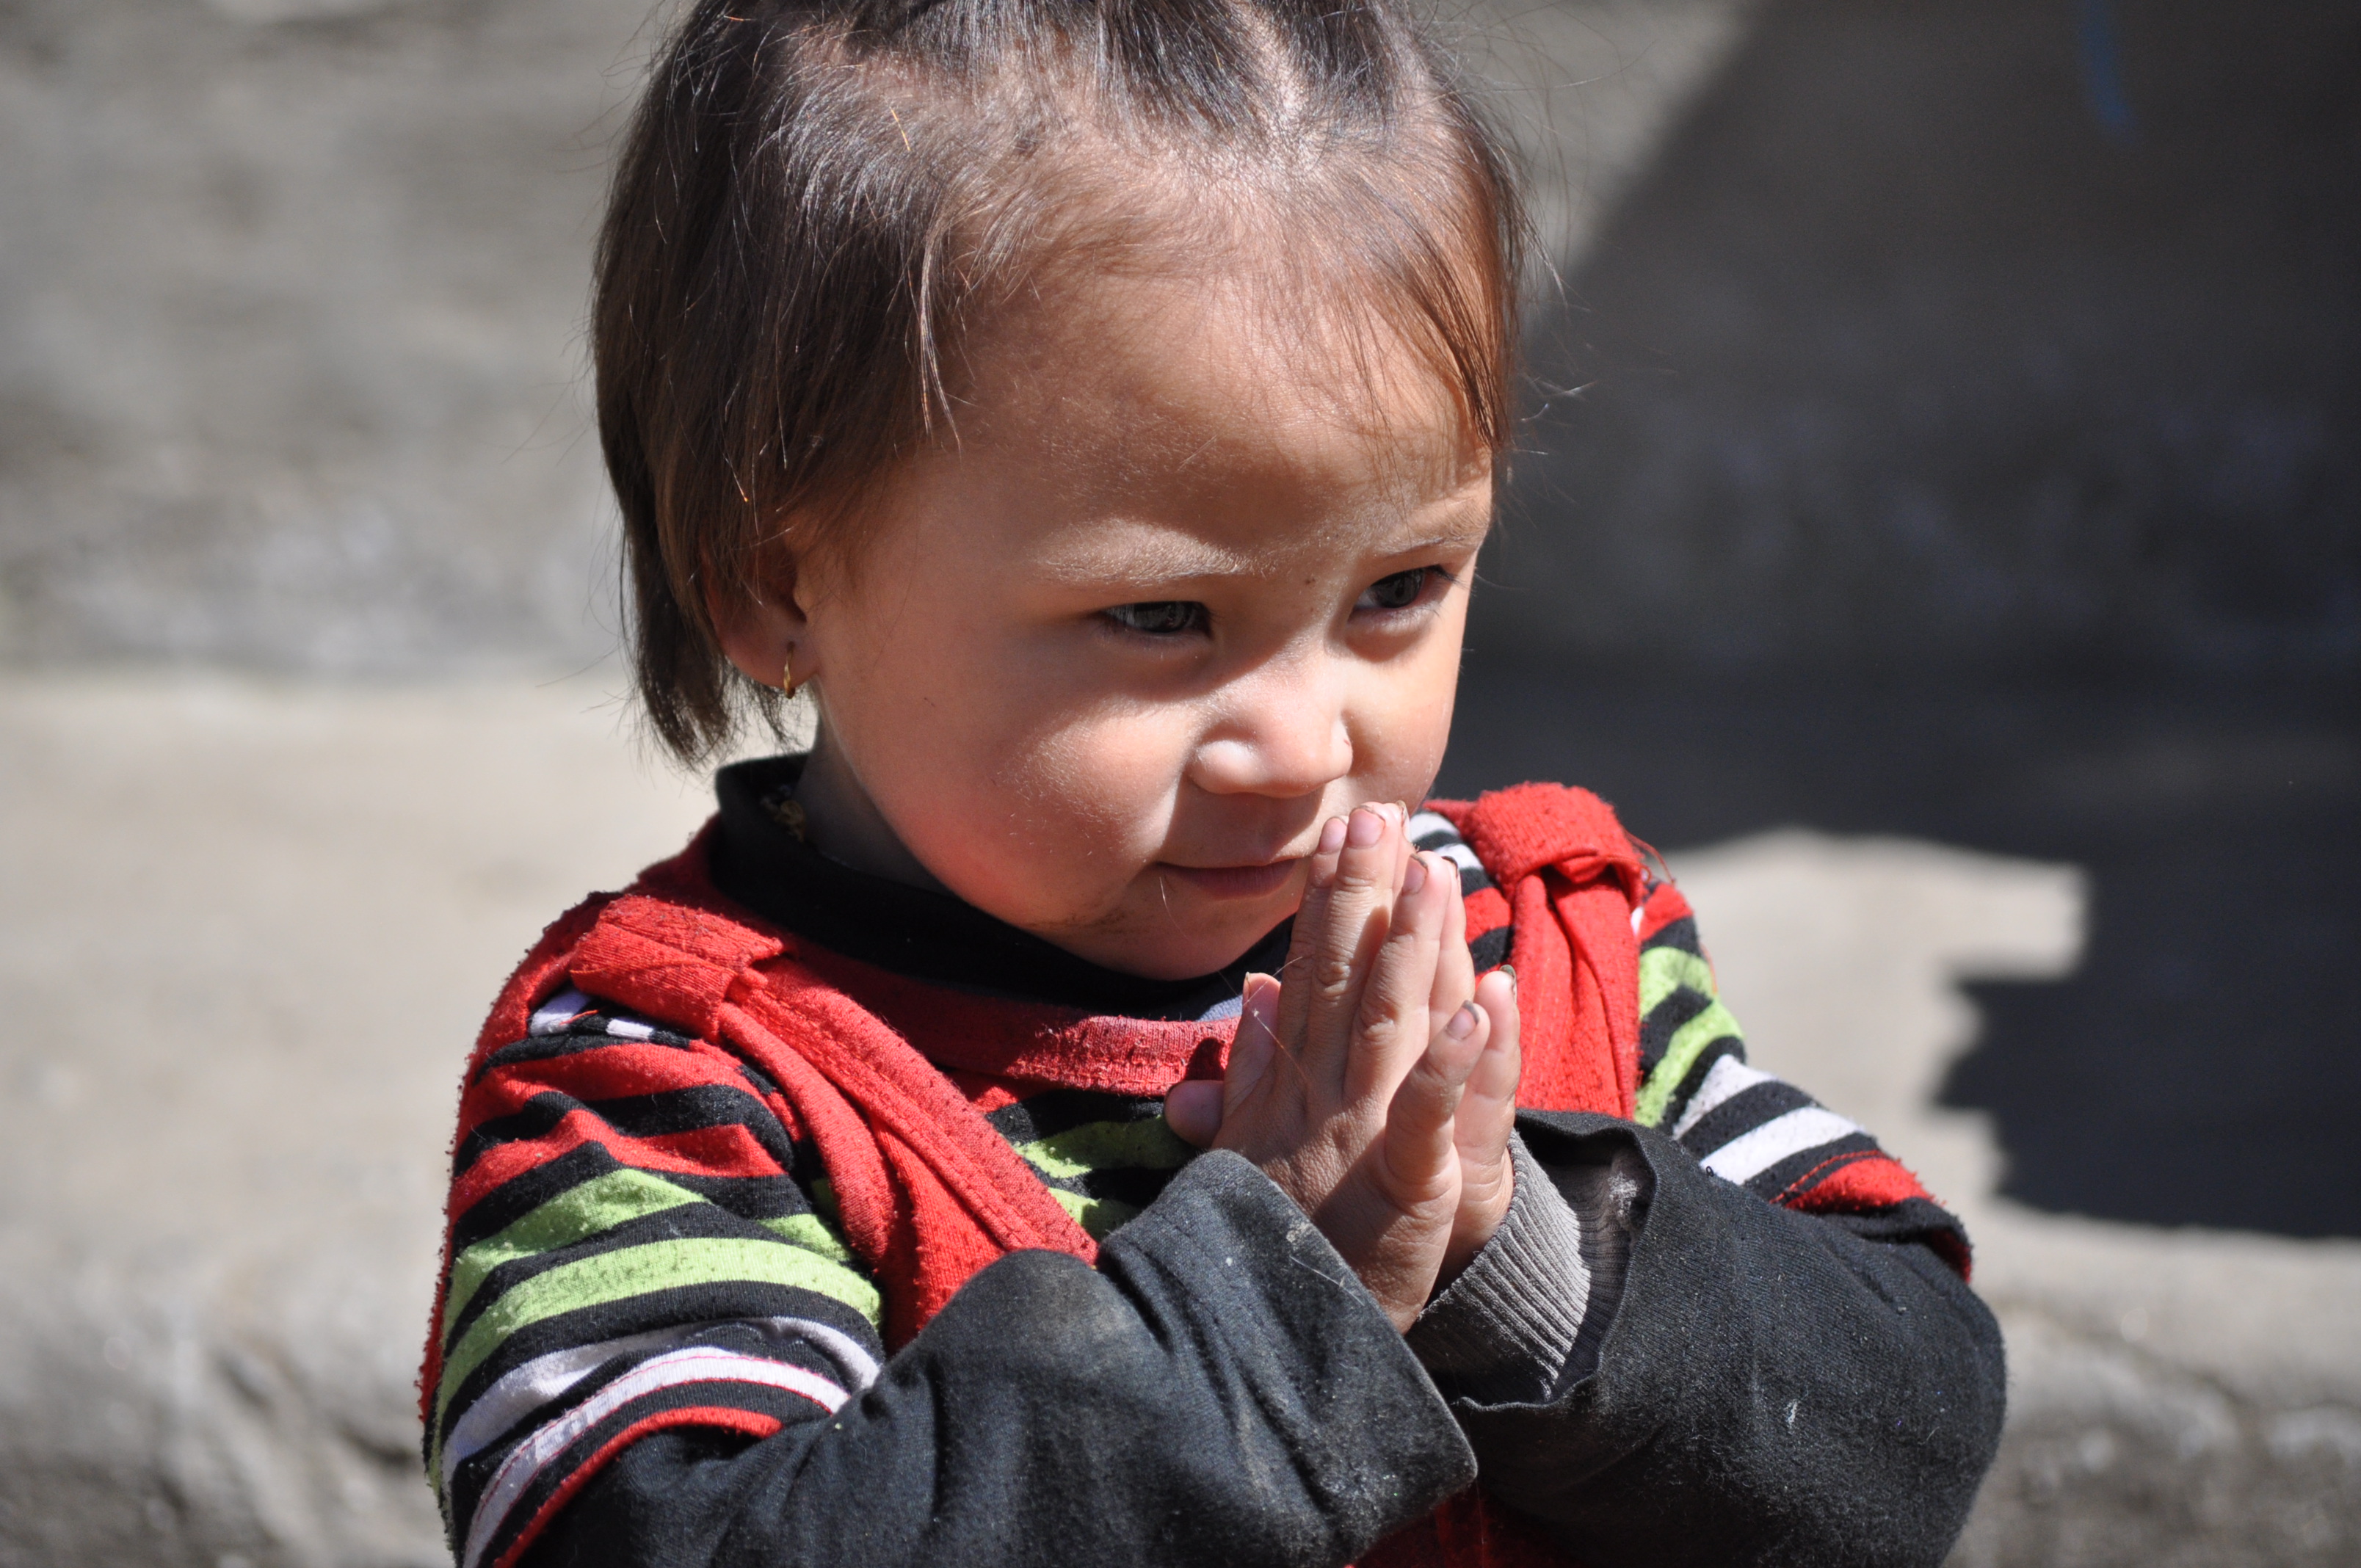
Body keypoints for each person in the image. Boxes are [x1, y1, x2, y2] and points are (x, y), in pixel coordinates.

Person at [419, 0, 2006, 1564]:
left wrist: (1509, 1245)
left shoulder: (1544, 955)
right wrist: (1274, 1303)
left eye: (1400, 589)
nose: (1308, 746)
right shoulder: (676, 1084)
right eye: (1162, 619)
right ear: (779, 585)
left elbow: (1903, 1430)